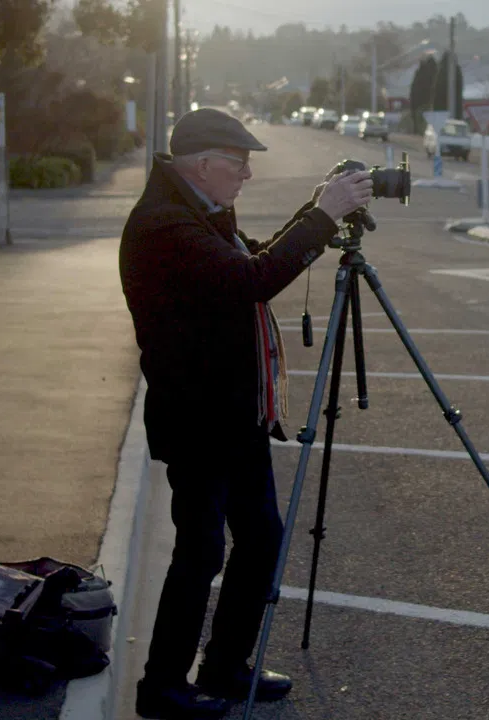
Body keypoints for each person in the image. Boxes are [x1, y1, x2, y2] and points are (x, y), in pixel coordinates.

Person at [118, 108, 373, 719]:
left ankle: (225, 665)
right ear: (203, 163)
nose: (248, 174)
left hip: (236, 414)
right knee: (201, 552)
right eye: (239, 164)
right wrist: (322, 215)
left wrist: (315, 210)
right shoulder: (164, 225)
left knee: (261, 542)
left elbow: (252, 257)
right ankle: (162, 687)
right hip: (199, 419)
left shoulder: (197, 209)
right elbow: (251, 280)